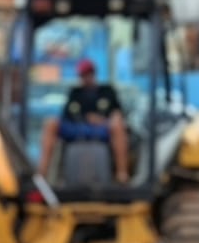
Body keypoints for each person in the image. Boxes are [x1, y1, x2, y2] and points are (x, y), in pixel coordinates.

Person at [37, 57, 131, 185]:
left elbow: (118, 113)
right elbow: (66, 115)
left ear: (93, 73)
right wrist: (85, 118)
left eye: (88, 74)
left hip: (102, 129)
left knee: (118, 123)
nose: (86, 78)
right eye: (83, 75)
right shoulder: (75, 92)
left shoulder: (107, 91)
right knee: (51, 123)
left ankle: (122, 174)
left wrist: (102, 120)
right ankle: (41, 175)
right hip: (77, 127)